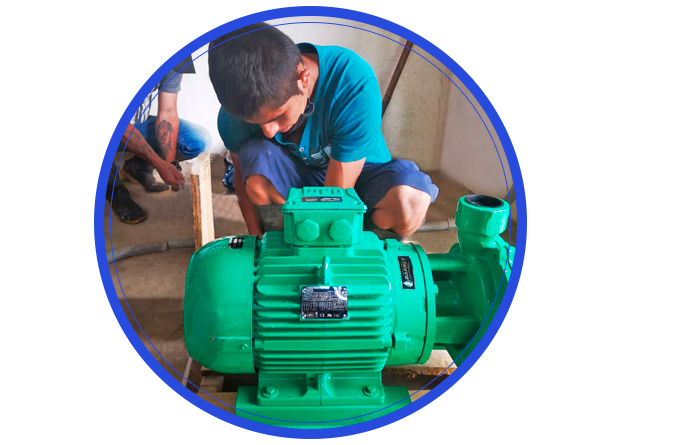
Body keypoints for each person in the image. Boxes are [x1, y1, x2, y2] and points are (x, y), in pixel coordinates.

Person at [208, 22, 438, 237]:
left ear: (303, 79)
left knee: (410, 201)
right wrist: (256, 242)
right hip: (299, 176)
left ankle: (366, 249)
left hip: (362, 176)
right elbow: (241, 179)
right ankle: (285, 244)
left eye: (278, 116)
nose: (269, 132)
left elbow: (335, 200)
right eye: (256, 122)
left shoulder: (351, 81)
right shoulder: (233, 114)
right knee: (256, 172)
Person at [103, 15, 212, 224]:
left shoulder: (173, 54)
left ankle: (138, 167)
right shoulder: (108, 47)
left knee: (198, 140)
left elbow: (168, 112)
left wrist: (168, 163)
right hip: (104, 125)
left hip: (135, 122)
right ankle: (116, 193)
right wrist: (158, 163)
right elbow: (117, 126)